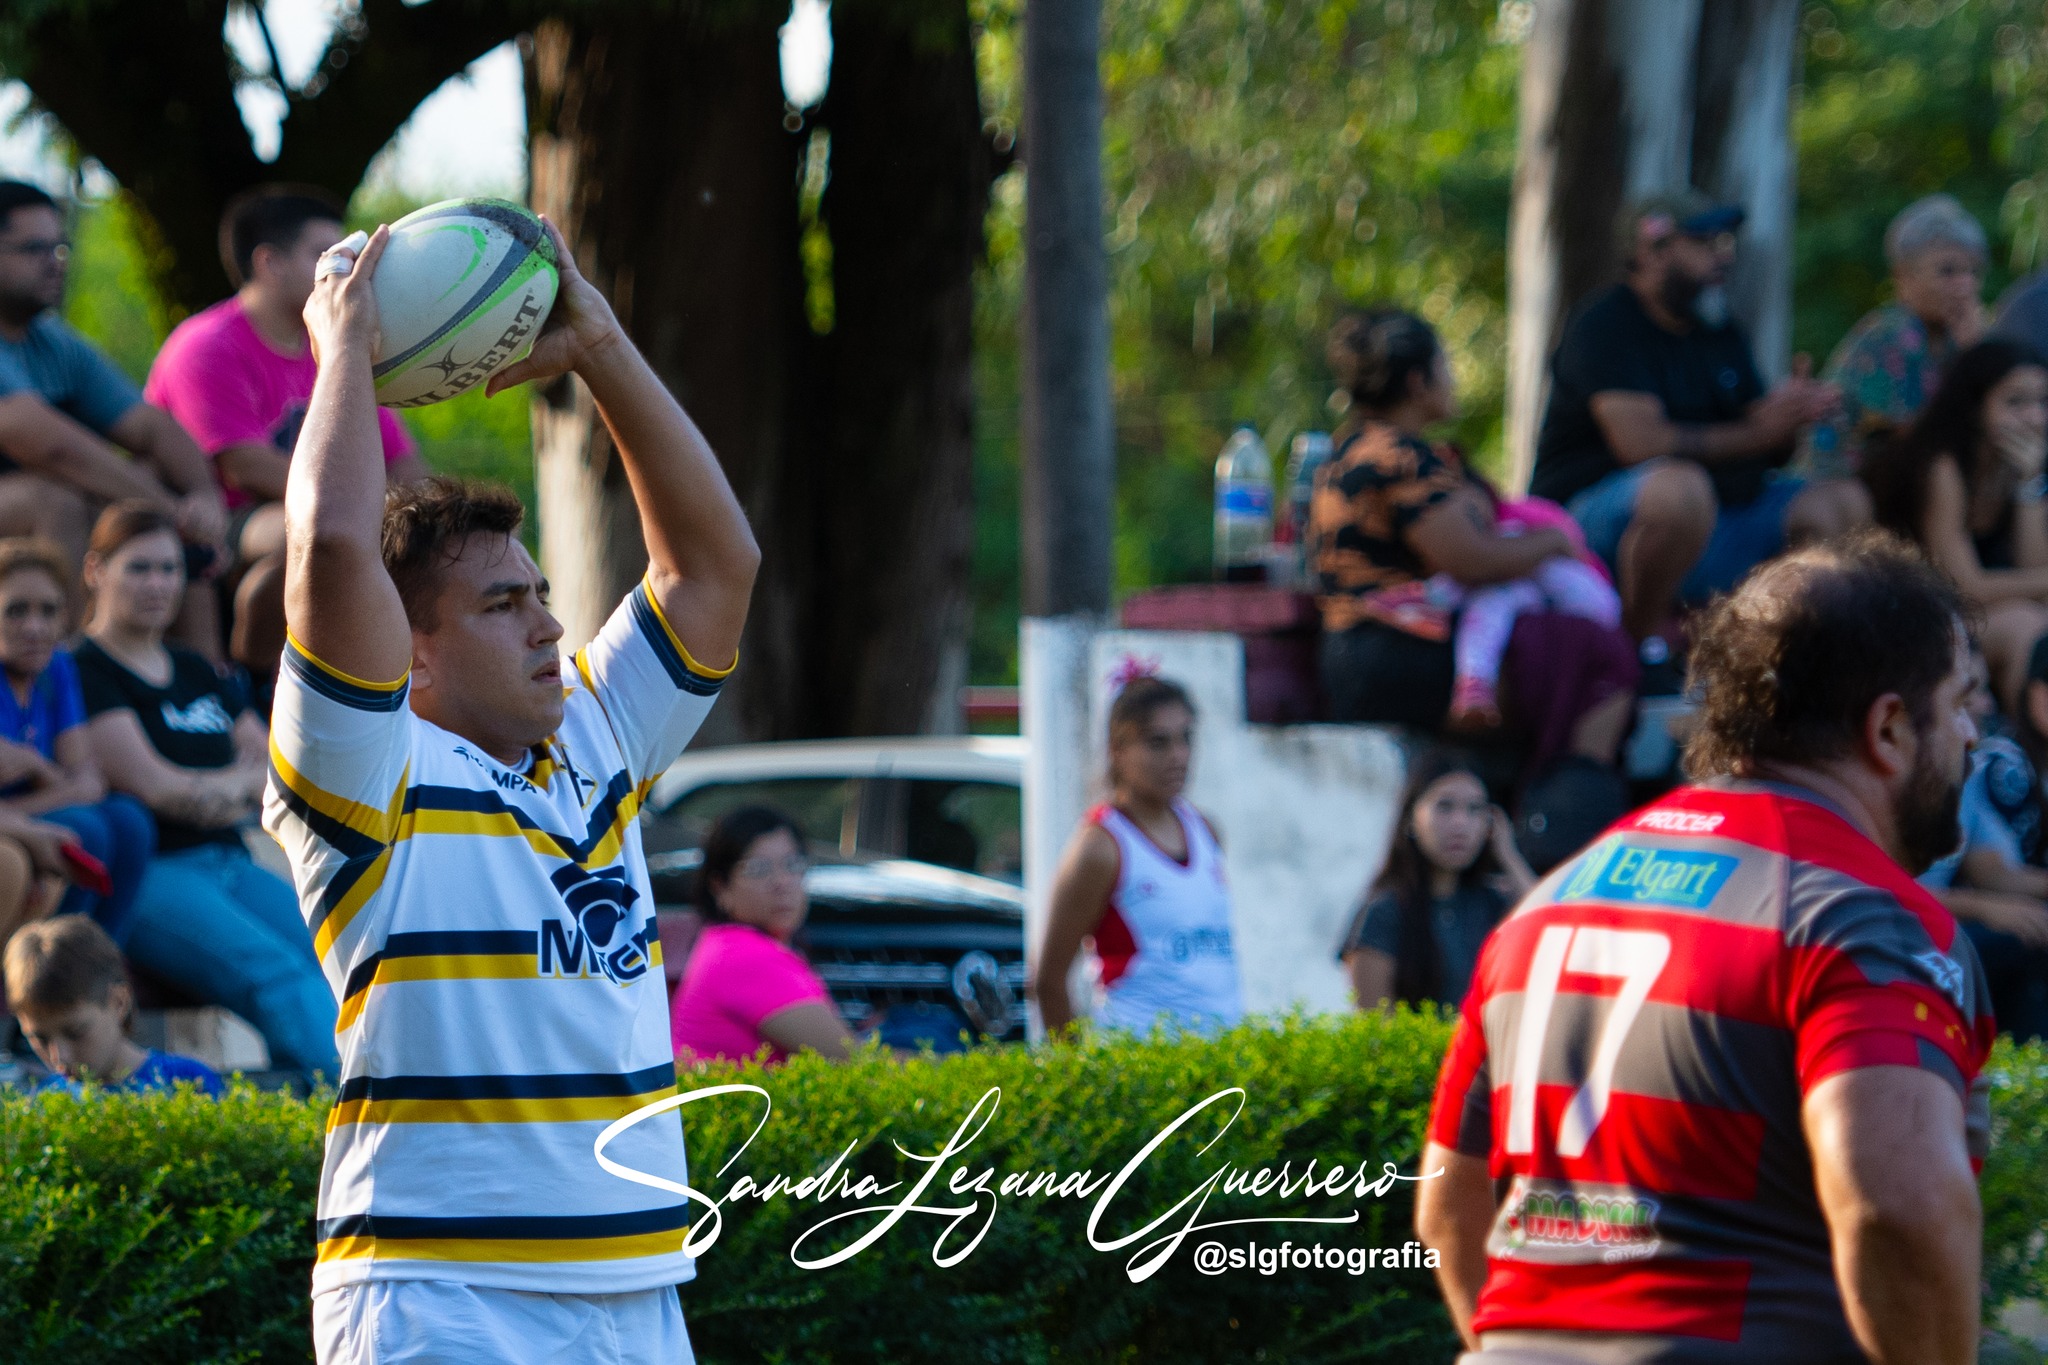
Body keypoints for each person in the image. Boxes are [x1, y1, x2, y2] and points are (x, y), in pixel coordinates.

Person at [265, 219, 758, 1364]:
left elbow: (713, 566)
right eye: (501, 605)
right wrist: (343, 338)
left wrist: (599, 346)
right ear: (410, 655)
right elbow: (335, 555)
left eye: (541, 594)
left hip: (638, 1283)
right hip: (442, 1291)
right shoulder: (368, 775)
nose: (549, 623)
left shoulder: (592, 742)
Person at [1417, 531, 1993, 1362]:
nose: (1975, 734)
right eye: (1963, 701)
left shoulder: (1548, 900)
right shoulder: (1860, 915)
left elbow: (1448, 1205)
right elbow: (1897, 1207)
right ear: (1891, 728)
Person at [1529, 190, 1867, 687]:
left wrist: (1791, 415)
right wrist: (1757, 430)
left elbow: (1761, 443)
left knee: (1842, 502)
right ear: (1651, 252)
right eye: (1704, 241)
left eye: (1724, 240)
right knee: (1681, 490)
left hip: (1709, 525)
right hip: (1593, 529)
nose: (1723, 254)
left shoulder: (1717, 329)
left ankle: (1792, 663)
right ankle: (1631, 657)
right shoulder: (1605, 324)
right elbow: (1640, 445)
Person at [74, 502, 336, 1075]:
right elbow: (158, 789)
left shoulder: (192, 667)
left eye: (170, 570)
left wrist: (224, 788)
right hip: (152, 872)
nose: (159, 585)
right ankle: (368, 1106)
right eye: (139, 568)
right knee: (274, 971)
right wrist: (241, 784)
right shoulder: (84, 669)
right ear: (96, 571)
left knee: (341, 954)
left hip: (229, 859)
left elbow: (281, 766)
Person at [1309, 307, 1637, 761]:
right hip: (1390, 655)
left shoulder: (1349, 446)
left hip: (1362, 654)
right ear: (1417, 383)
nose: (1452, 378)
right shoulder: (1397, 457)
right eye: (1445, 366)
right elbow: (1473, 562)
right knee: (1599, 654)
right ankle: (1575, 796)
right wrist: (1555, 541)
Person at [145, 185, 423, 677]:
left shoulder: (335, 346)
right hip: (224, 518)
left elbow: (401, 458)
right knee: (318, 533)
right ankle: (261, 672)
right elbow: (243, 465)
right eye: (324, 255)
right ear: (269, 262)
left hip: (316, 505)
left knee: (410, 532)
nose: (347, 269)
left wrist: (420, 510)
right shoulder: (206, 345)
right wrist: (369, 508)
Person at [0, 181, 227, 650]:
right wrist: (166, 513)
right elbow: (49, 446)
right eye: (33, 249)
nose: (53, 262)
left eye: (59, 248)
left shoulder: (49, 340)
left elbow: (151, 426)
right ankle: (70, 676)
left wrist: (203, 498)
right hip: (32, 499)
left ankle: (207, 690)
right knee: (56, 501)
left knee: (154, 480)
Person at [1032, 675, 1244, 1036]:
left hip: (1221, 1065)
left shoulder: (1206, 830)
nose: (1178, 756)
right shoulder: (1100, 847)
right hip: (1140, 1069)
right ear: (1118, 749)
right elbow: (1047, 981)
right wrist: (1077, 1081)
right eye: (1157, 743)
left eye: (1186, 739)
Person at [1863, 337, 2048, 715]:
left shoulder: (2019, 465)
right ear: (1976, 406)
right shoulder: (1942, 467)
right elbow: (1965, 587)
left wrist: (2029, 485)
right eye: (2015, 402)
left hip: (1976, 618)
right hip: (1912, 622)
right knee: (2025, 626)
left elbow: (2033, 571)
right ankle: (2027, 763)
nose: (2034, 417)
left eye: (2043, 402)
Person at [0, 535, 152, 940]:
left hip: (22, 809)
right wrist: (54, 789)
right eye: (15, 611)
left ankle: (95, 967)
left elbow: (89, 781)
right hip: (18, 824)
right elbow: (78, 787)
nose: (34, 627)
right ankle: (48, 977)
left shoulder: (57, 667)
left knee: (130, 820)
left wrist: (33, 766)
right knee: (89, 828)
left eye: (48, 611)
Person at [1798, 193, 1989, 480]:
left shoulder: (1955, 339)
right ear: (1903, 277)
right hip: (1844, 493)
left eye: (1973, 272)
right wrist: (1974, 360)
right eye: (1947, 271)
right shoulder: (1890, 336)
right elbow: (1917, 441)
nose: (1965, 285)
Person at [1338, 749, 1533, 1013]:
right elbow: (1376, 1028)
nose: (1461, 824)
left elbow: (1556, 928)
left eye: (1475, 809)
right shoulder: (1385, 912)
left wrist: (1508, 855)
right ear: (1410, 818)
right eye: (1445, 806)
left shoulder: (1491, 903)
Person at [669, 806, 857, 1064]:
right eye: (758, 869)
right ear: (720, 888)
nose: (782, 882)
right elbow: (855, 1062)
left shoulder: (723, 943)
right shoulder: (744, 955)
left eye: (792, 865)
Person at [1434, 495, 1621, 731]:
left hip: (1576, 600)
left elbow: (1595, 599)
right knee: (1491, 599)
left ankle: (1433, 602)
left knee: (1495, 579)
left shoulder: (1528, 522)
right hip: (1537, 601)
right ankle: (1475, 684)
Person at [5, 914, 223, 1097]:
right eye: (39, 1039)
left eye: (76, 1032)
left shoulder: (186, 1084)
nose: (60, 1057)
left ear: (119, 1002)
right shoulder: (46, 1104)